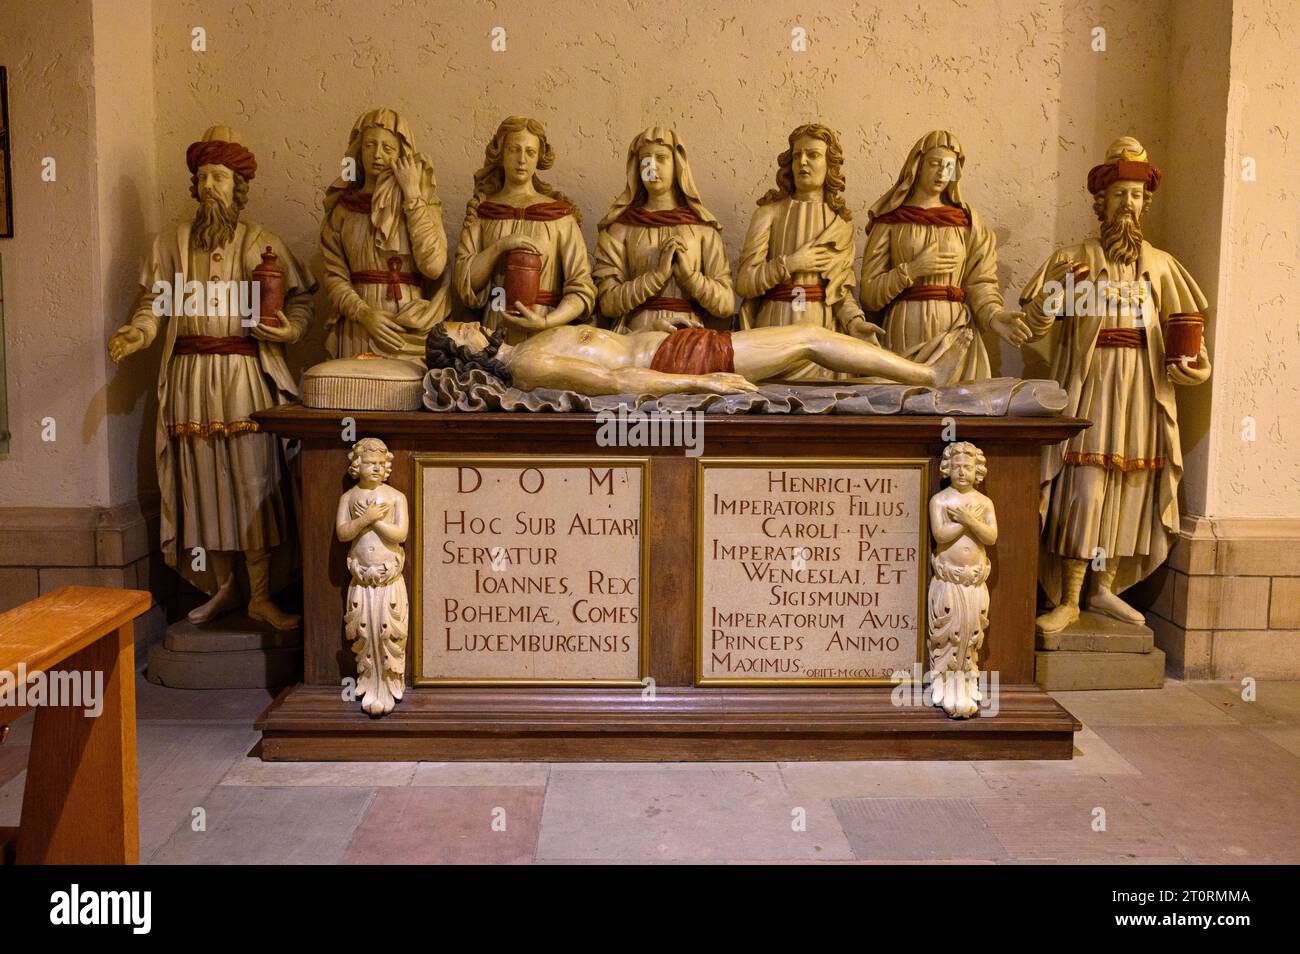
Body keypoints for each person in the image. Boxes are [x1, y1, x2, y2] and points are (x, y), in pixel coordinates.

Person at [108, 125, 312, 630]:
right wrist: (136, 334)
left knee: (252, 482)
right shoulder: (170, 244)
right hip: (190, 377)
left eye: (220, 177)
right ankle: (223, 589)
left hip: (245, 373)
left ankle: (261, 595)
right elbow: (153, 304)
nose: (210, 187)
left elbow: (302, 300)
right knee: (202, 485)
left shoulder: (264, 243)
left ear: (238, 186)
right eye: (203, 177)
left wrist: (289, 328)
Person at [1021, 137, 1212, 633]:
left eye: (1135, 195)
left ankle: (1104, 591)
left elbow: (1189, 333)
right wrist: (1051, 293)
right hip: (1091, 387)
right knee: (1084, 488)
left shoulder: (1163, 266)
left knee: (1129, 484)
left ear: (1146, 203)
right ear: (1101, 201)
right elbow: (1037, 324)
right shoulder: (1074, 259)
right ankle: (1068, 598)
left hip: (1143, 393)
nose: (1127, 205)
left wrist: (1195, 369)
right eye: (1118, 195)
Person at [426, 318, 970, 398]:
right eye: (461, 331)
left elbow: (613, 344)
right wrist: (700, 382)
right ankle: (927, 375)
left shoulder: (527, 341)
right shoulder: (528, 367)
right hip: (678, 362)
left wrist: (648, 328)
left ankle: (915, 371)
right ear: (465, 356)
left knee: (807, 343)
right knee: (807, 338)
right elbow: (616, 380)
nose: (470, 322)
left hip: (669, 344)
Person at [861, 130, 1029, 380]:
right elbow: (870, 295)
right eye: (935, 163)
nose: (942, 172)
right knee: (906, 406)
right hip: (905, 328)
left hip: (955, 330)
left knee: (956, 408)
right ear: (917, 166)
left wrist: (994, 315)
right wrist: (912, 270)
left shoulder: (968, 223)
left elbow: (980, 283)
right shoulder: (891, 221)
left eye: (949, 166)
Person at [735, 123, 880, 380]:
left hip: (823, 334)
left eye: (812, 155)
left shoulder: (840, 223)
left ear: (829, 165)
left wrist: (855, 322)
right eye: (797, 155)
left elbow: (839, 292)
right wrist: (790, 263)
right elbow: (745, 282)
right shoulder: (768, 214)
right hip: (774, 330)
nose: (803, 162)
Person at [320, 107, 451, 362]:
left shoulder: (423, 202)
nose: (377, 155)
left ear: (403, 156)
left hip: (411, 326)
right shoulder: (342, 209)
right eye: (370, 146)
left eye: (388, 149)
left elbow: (434, 266)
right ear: (359, 150)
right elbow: (334, 275)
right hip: (359, 328)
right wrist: (364, 314)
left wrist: (412, 195)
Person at [455, 116, 595, 345]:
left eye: (530, 152)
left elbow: (581, 288)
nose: (521, 160)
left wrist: (547, 322)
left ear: (540, 157)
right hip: (492, 332)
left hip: (545, 336)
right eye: (514, 150)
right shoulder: (483, 213)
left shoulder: (559, 216)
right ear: (501, 154)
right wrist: (500, 246)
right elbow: (465, 284)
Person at [593, 126, 734, 333]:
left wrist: (690, 278)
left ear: (677, 165)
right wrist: (657, 276)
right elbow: (608, 303)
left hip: (691, 334)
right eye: (645, 159)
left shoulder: (703, 229)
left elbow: (726, 304)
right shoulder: (620, 229)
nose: (652, 166)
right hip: (636, 335)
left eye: (661, 158)